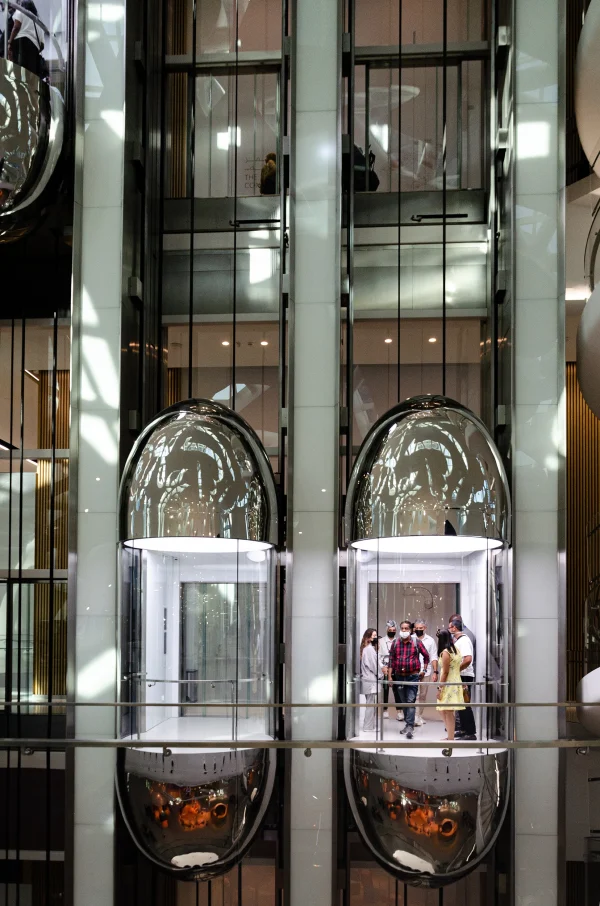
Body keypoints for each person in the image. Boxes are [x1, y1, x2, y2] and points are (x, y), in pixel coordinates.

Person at [388, 620, 429, 740]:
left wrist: (424, 670)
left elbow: (426, 656)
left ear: (411, 630)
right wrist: (390, 676)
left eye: (407, 628)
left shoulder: (416, 642)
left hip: (412, 676)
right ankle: (408, 724)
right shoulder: (395, 643)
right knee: (403, 701)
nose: (404, 631)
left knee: (410, 700)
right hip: (399, 676)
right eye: (402, 628)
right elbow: (391, 660)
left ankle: (410, 726)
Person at [448, 616, 477, 740]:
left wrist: (455, 671)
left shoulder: (464, 641)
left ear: (454, 628)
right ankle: (464, 729)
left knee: (465, 705)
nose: (448, 629)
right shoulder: (458, 641)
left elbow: (468, 659)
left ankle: (470, 732)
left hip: (464, 676)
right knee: (460, 705)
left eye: (450, 627)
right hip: (460, 676)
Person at [436, 628, 465, 742]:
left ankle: (450, 737)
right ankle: (450, 735)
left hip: (448, 684)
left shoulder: (446, 653)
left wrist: (440, 688)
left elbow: (445, 672)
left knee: (447, 711)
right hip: (456, 681)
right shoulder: (456, 649)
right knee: (445, 710)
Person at [413, 619, 439, 727]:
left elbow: (433, 656)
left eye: (421, 628)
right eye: (417, 628)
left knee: (423, 695)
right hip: (413, 671)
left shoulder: (430, 640)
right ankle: (413, 716)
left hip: (426, 671)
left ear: (425, 628)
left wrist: (435, 671)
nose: (419, 630)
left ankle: (419, 715)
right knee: (414, 695)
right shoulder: (411, 639)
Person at [8, 0, 43, 76]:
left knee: (19, 71)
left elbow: (16, 27)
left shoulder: (21, 11)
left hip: (21, 43)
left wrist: (10, 42)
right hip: (34, 48)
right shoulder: (38, 21)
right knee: (30, 74)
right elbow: (42, 45)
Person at [360, 628, 380, 733]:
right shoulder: (369, 649)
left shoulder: (366, 649)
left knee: (371, 703)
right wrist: (380, 674)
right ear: (368, 637)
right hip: (370, 679)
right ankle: (368, 726)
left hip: (368, 679)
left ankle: (370, 725)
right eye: (374, 636)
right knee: (370, 703)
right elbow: (374, 665)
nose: (375, 638)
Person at [378, 619, 397, 719]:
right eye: (390, 629)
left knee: (397, 690)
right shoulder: (381, 641)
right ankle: (385, 709)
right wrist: (382, 667)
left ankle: (399, 711)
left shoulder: (398, 641)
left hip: (395, 667)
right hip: (385, 667)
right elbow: (378, 656)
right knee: (385, 690)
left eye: (394, 629)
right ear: (387, 629)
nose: (392, 631)